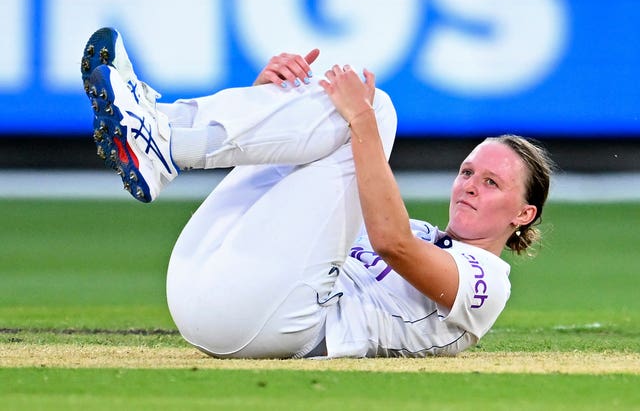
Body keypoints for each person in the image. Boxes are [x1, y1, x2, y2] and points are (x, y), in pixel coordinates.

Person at [81, 27, 554, 358]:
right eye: (468, 172)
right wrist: (265, 99)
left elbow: (391, 242)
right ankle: (164, 128)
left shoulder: (486, 283)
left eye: (491, 183)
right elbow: (294, 223)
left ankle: (164, 140)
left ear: (523, 214)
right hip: (199, 285)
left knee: (376, 111)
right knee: (318, 115)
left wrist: (363, 119)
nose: (470, 185)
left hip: (272, 328)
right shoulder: (421, 230)